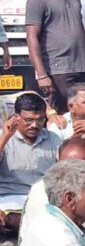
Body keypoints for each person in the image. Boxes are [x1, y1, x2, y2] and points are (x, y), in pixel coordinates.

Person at [0, 93, 62, 233]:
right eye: (28, 120)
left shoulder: (53, 139)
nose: (34, 125)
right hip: (10, 199)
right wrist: (5, 137)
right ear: (16, 118)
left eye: (40, 120)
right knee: (14, 220)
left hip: (43, 199)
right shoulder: (3, 137)